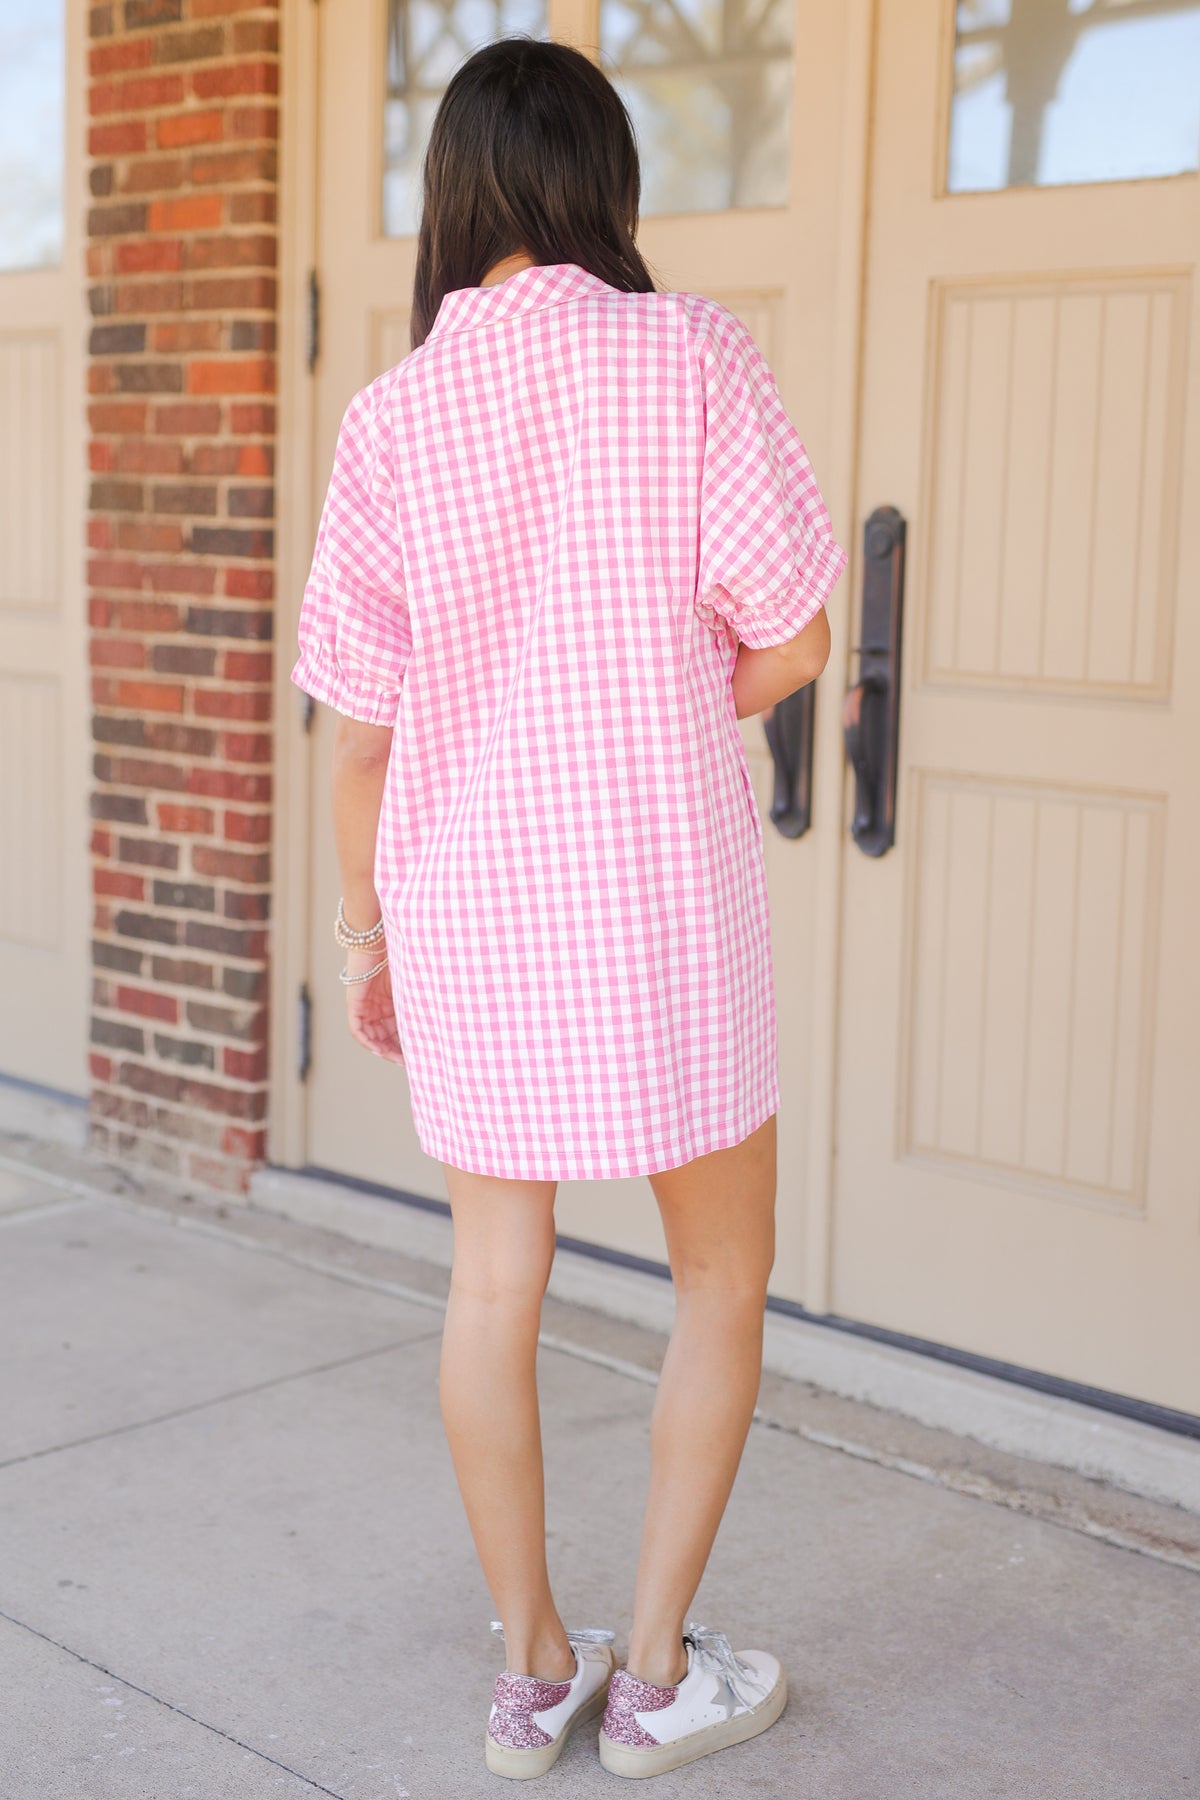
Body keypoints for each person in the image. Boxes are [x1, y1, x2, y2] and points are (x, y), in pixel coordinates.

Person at [290, 33, 847, 1783]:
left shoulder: (391, 418)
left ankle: (536, 1674)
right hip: (664, 892)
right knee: (723, 1273)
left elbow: (360, 744)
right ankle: (662, 1671)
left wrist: (369, 942)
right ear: (604, 184)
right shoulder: (691, 354)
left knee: (492, 1284)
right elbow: (799, 637)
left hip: (467, 900)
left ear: (453, 198)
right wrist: (662, 707)